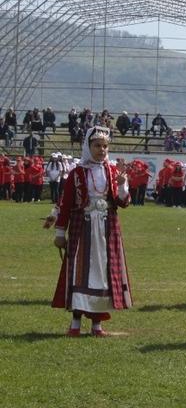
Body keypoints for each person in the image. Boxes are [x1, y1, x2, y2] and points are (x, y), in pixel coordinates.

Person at [44, 127, 133, 336]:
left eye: (105, 146)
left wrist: (122, 186)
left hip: (106, 229)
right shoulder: (77, 173)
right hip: (81, 227)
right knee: (80, 273)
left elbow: (123, 202)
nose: (102, 150)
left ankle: (97, 325)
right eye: (97, 146)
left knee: (102, 273)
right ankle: (75, 324)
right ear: (88, 146)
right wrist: (59, 233)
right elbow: (65, 204)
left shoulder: (113, 172)